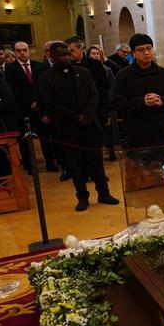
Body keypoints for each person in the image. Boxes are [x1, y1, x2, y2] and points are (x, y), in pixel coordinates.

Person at [39, 42, 120, 211]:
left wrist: (88, 114)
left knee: (96, 162)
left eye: (69, 54)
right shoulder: (46, 78)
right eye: (62, 55)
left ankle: (104, 193)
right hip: (69, 127)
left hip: (90, 124)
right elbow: (52, 104)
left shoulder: (83, 72)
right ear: (52, 57)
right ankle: (82, 196)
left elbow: (94, 94)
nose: (67, 57)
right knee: (75, 164)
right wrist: (76, 117)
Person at [111, 34, 164, 152]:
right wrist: (142, 101)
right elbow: (116, 102)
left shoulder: (163, 73)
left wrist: (162, 101)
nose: (146, 52)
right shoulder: (123, 75)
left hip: (163, 133)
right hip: (137, 135)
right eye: (141, 50)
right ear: (133, 53)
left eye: (149, 48)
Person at [5, 41, 42, 173]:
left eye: (24, 50)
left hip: (40, 107)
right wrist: (29, 102)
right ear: (15, 52)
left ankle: (50, 162)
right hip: (22, 109)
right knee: (25, 139)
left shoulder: (38, 65)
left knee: (44, 135)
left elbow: (41, 86)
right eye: (19, 50)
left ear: (29, 51)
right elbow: (13, 90)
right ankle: (29, 165)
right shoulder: (10, 69)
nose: (22, 53)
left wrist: (37, 101)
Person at [33, 40, 61, 172]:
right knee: (46, 139)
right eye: (49, 50)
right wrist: (42, 113)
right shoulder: (39, 70)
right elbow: (37, 93)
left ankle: (62, 161)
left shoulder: (66, 66)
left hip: (62, 110)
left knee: (60, 138)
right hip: (46, 109)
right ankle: (50, 162)